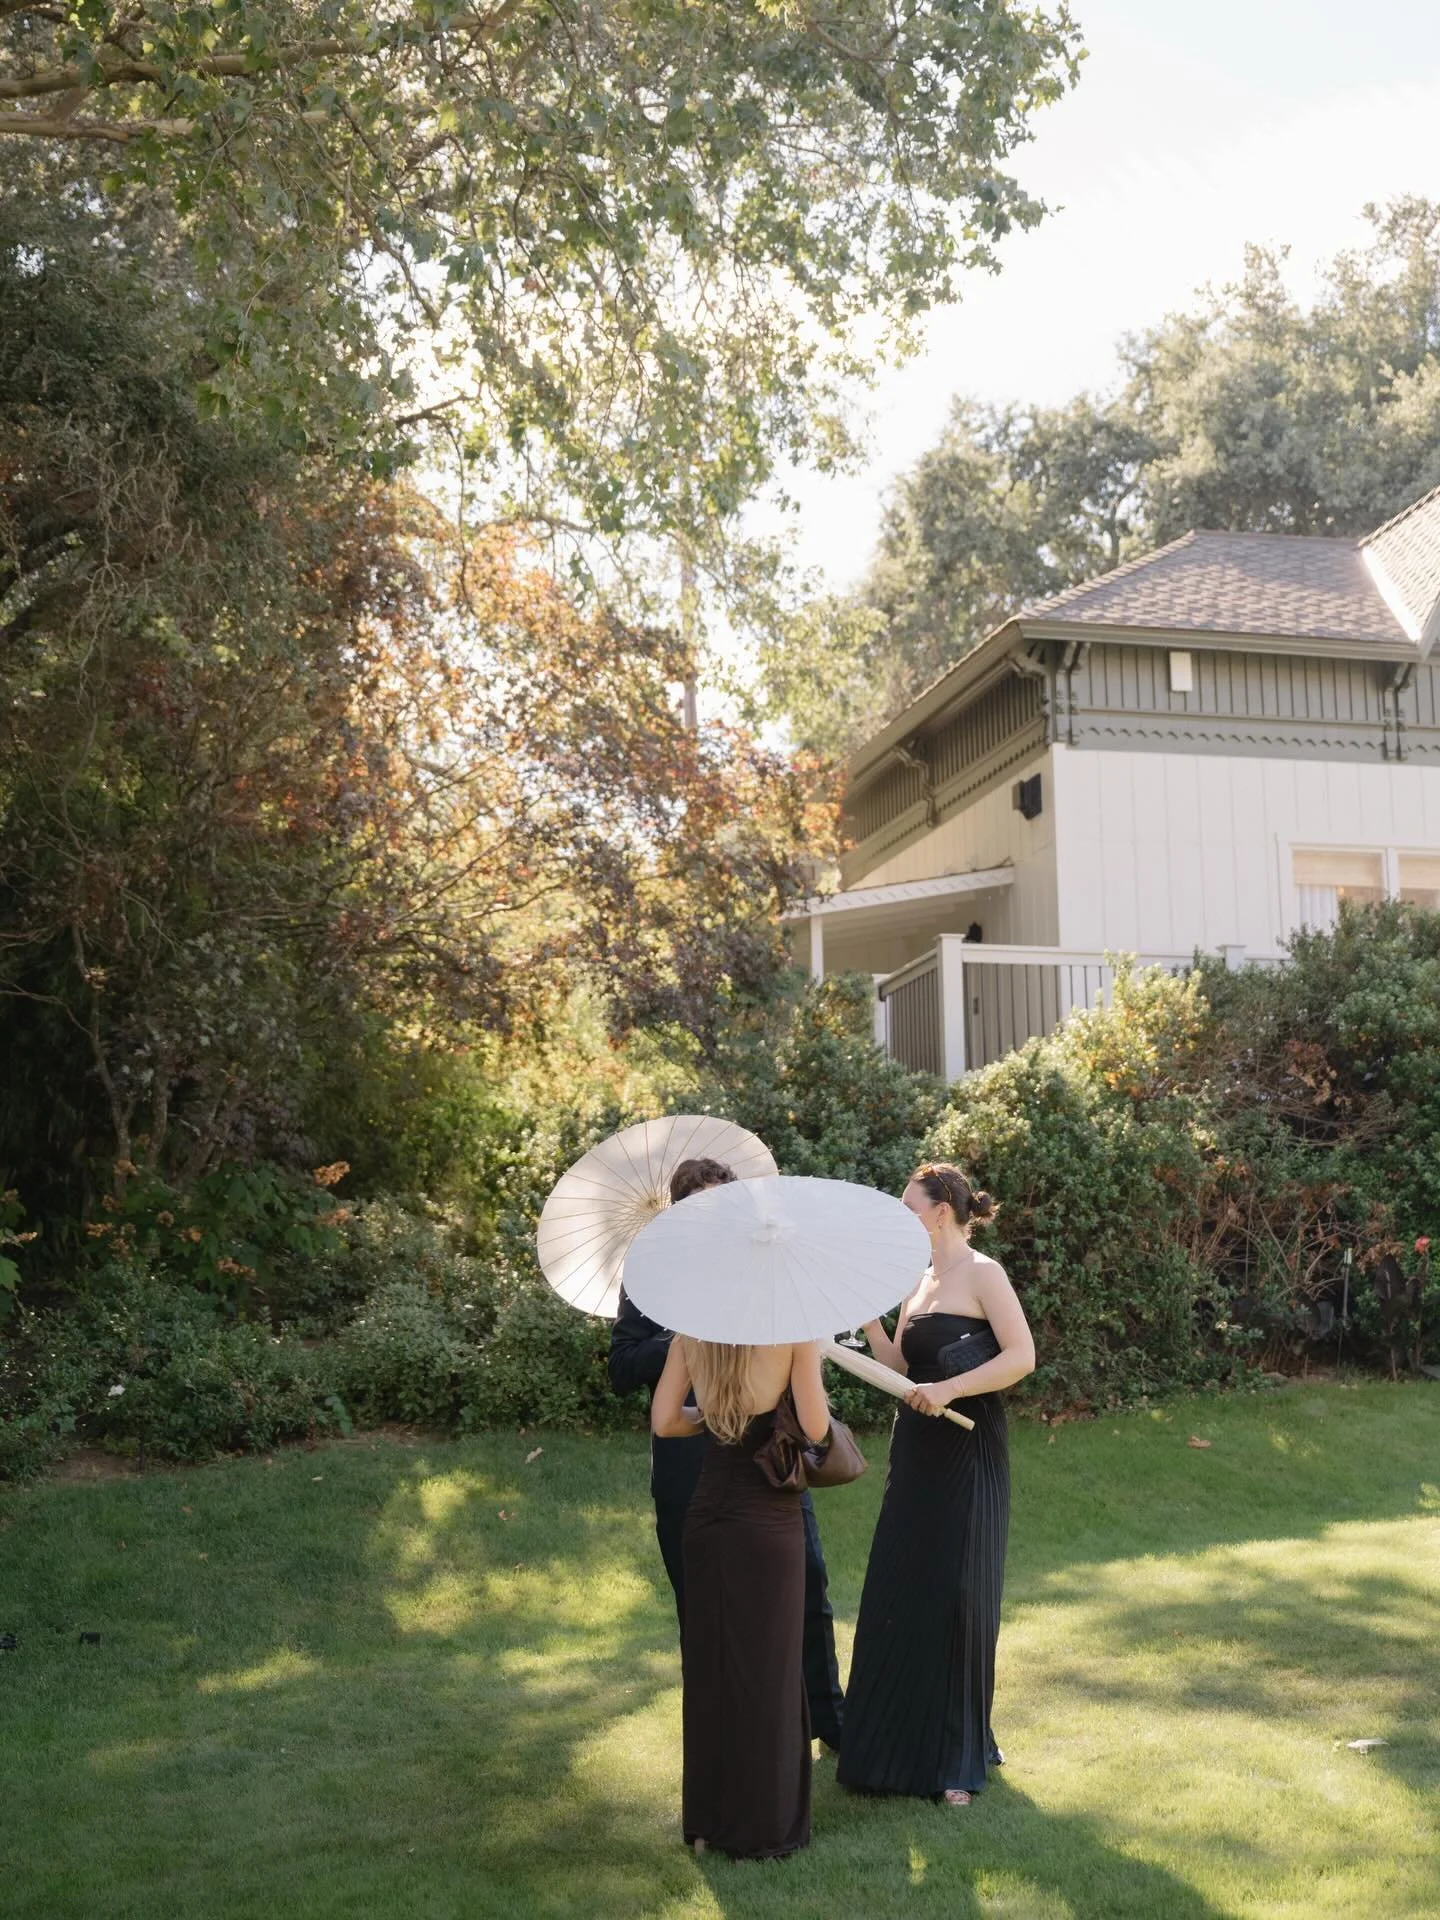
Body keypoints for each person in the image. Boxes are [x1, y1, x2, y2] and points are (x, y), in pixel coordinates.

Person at [608, 1156, 846, 1748]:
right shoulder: (652, 1278)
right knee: (706, 1603)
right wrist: (686, 1338)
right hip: (695, 1461)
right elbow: (621, 1367)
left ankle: (827, 1721)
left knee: (807, 1582)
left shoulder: (764, 1274)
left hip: (773, 1453)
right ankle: (721, 1731)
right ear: (682, 1213)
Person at [837, 1161, 1035, 1807]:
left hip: (969, 1451)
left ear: (940, 1210)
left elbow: (1020, 1358)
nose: (903, 1217)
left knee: (956, 1591)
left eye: (908, 1206)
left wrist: (948, 1387)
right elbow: (899, 1364)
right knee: (901, 1583)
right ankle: (889, 1750)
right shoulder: (916, 1281)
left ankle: (956, 1758)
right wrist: (867, 1321)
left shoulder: (984, 1274)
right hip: (916, 1453)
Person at [652, 1321, 831, 1858]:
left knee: (711, 1667)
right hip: (767, 1519)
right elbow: (817, 1428)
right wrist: (813, 1360)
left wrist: (710, 1418)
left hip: (707, 1514)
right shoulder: (794, 1332)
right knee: (769, 1670)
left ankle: (707, 1824)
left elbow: (663, 1421)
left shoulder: (692, 1333)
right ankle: (764, 1828)